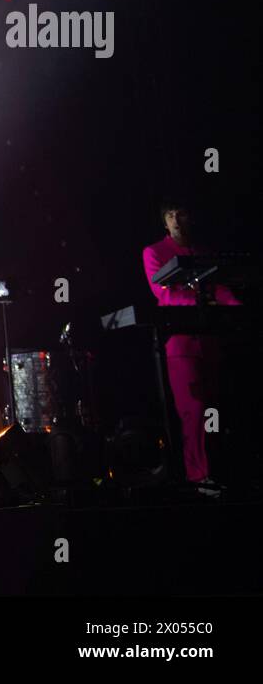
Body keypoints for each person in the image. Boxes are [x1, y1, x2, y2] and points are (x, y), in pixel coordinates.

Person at [141, 197, 241, 493]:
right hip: (181, 344)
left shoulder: (202, 251)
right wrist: (206, 300)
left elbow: (221, 289)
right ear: (165, 221)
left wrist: (236, 306)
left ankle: (220, 470)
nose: (175, 219)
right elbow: (165, 295)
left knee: (216, 408)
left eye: (180, 213)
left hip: (210, 341)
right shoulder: (154, 252)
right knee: (193, 409)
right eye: (170, 215)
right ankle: (198, 476)